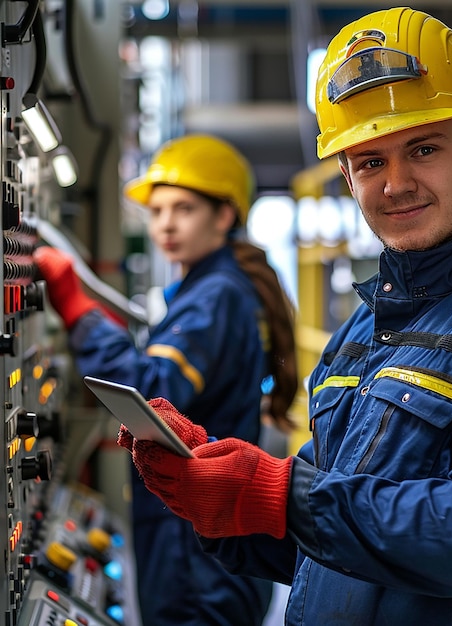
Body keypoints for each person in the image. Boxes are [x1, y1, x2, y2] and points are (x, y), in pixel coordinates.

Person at [116, 8, 452, 625]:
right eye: (371, 162)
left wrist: (280, 495)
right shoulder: (362, 329)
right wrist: (214, 487)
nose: (397, 183)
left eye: (423, 148)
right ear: (347, 176)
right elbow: (328, 540)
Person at [34, 134, 298, 626]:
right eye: (157, 211)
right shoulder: (213, 287)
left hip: (196, 554)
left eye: (184, 208)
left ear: (224, 216)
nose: (166, 224)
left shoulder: (215, 294)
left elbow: (153, 389)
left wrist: (77, 309)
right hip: (208, 537)